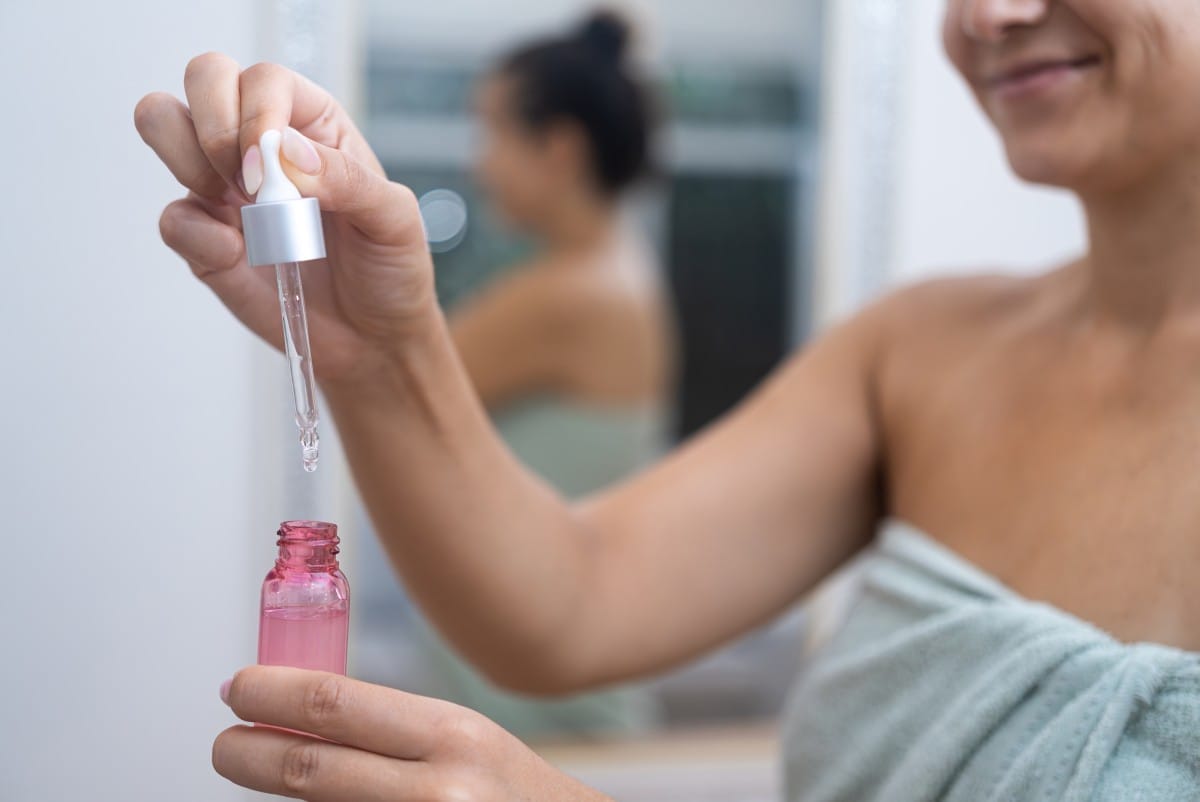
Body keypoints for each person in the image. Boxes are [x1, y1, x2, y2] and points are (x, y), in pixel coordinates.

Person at [134, 0, 1200, 798]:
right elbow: (572, 595)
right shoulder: (920, 347)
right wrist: (373, 350)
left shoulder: (588, 289)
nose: (988, 15)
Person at [402, 9, 673, 738]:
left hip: (545, 717)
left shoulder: (575, 294)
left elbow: (391, 383)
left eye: (491, 132)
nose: (477, 162)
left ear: (558, 147)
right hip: (546, 694)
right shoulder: (613, 269)